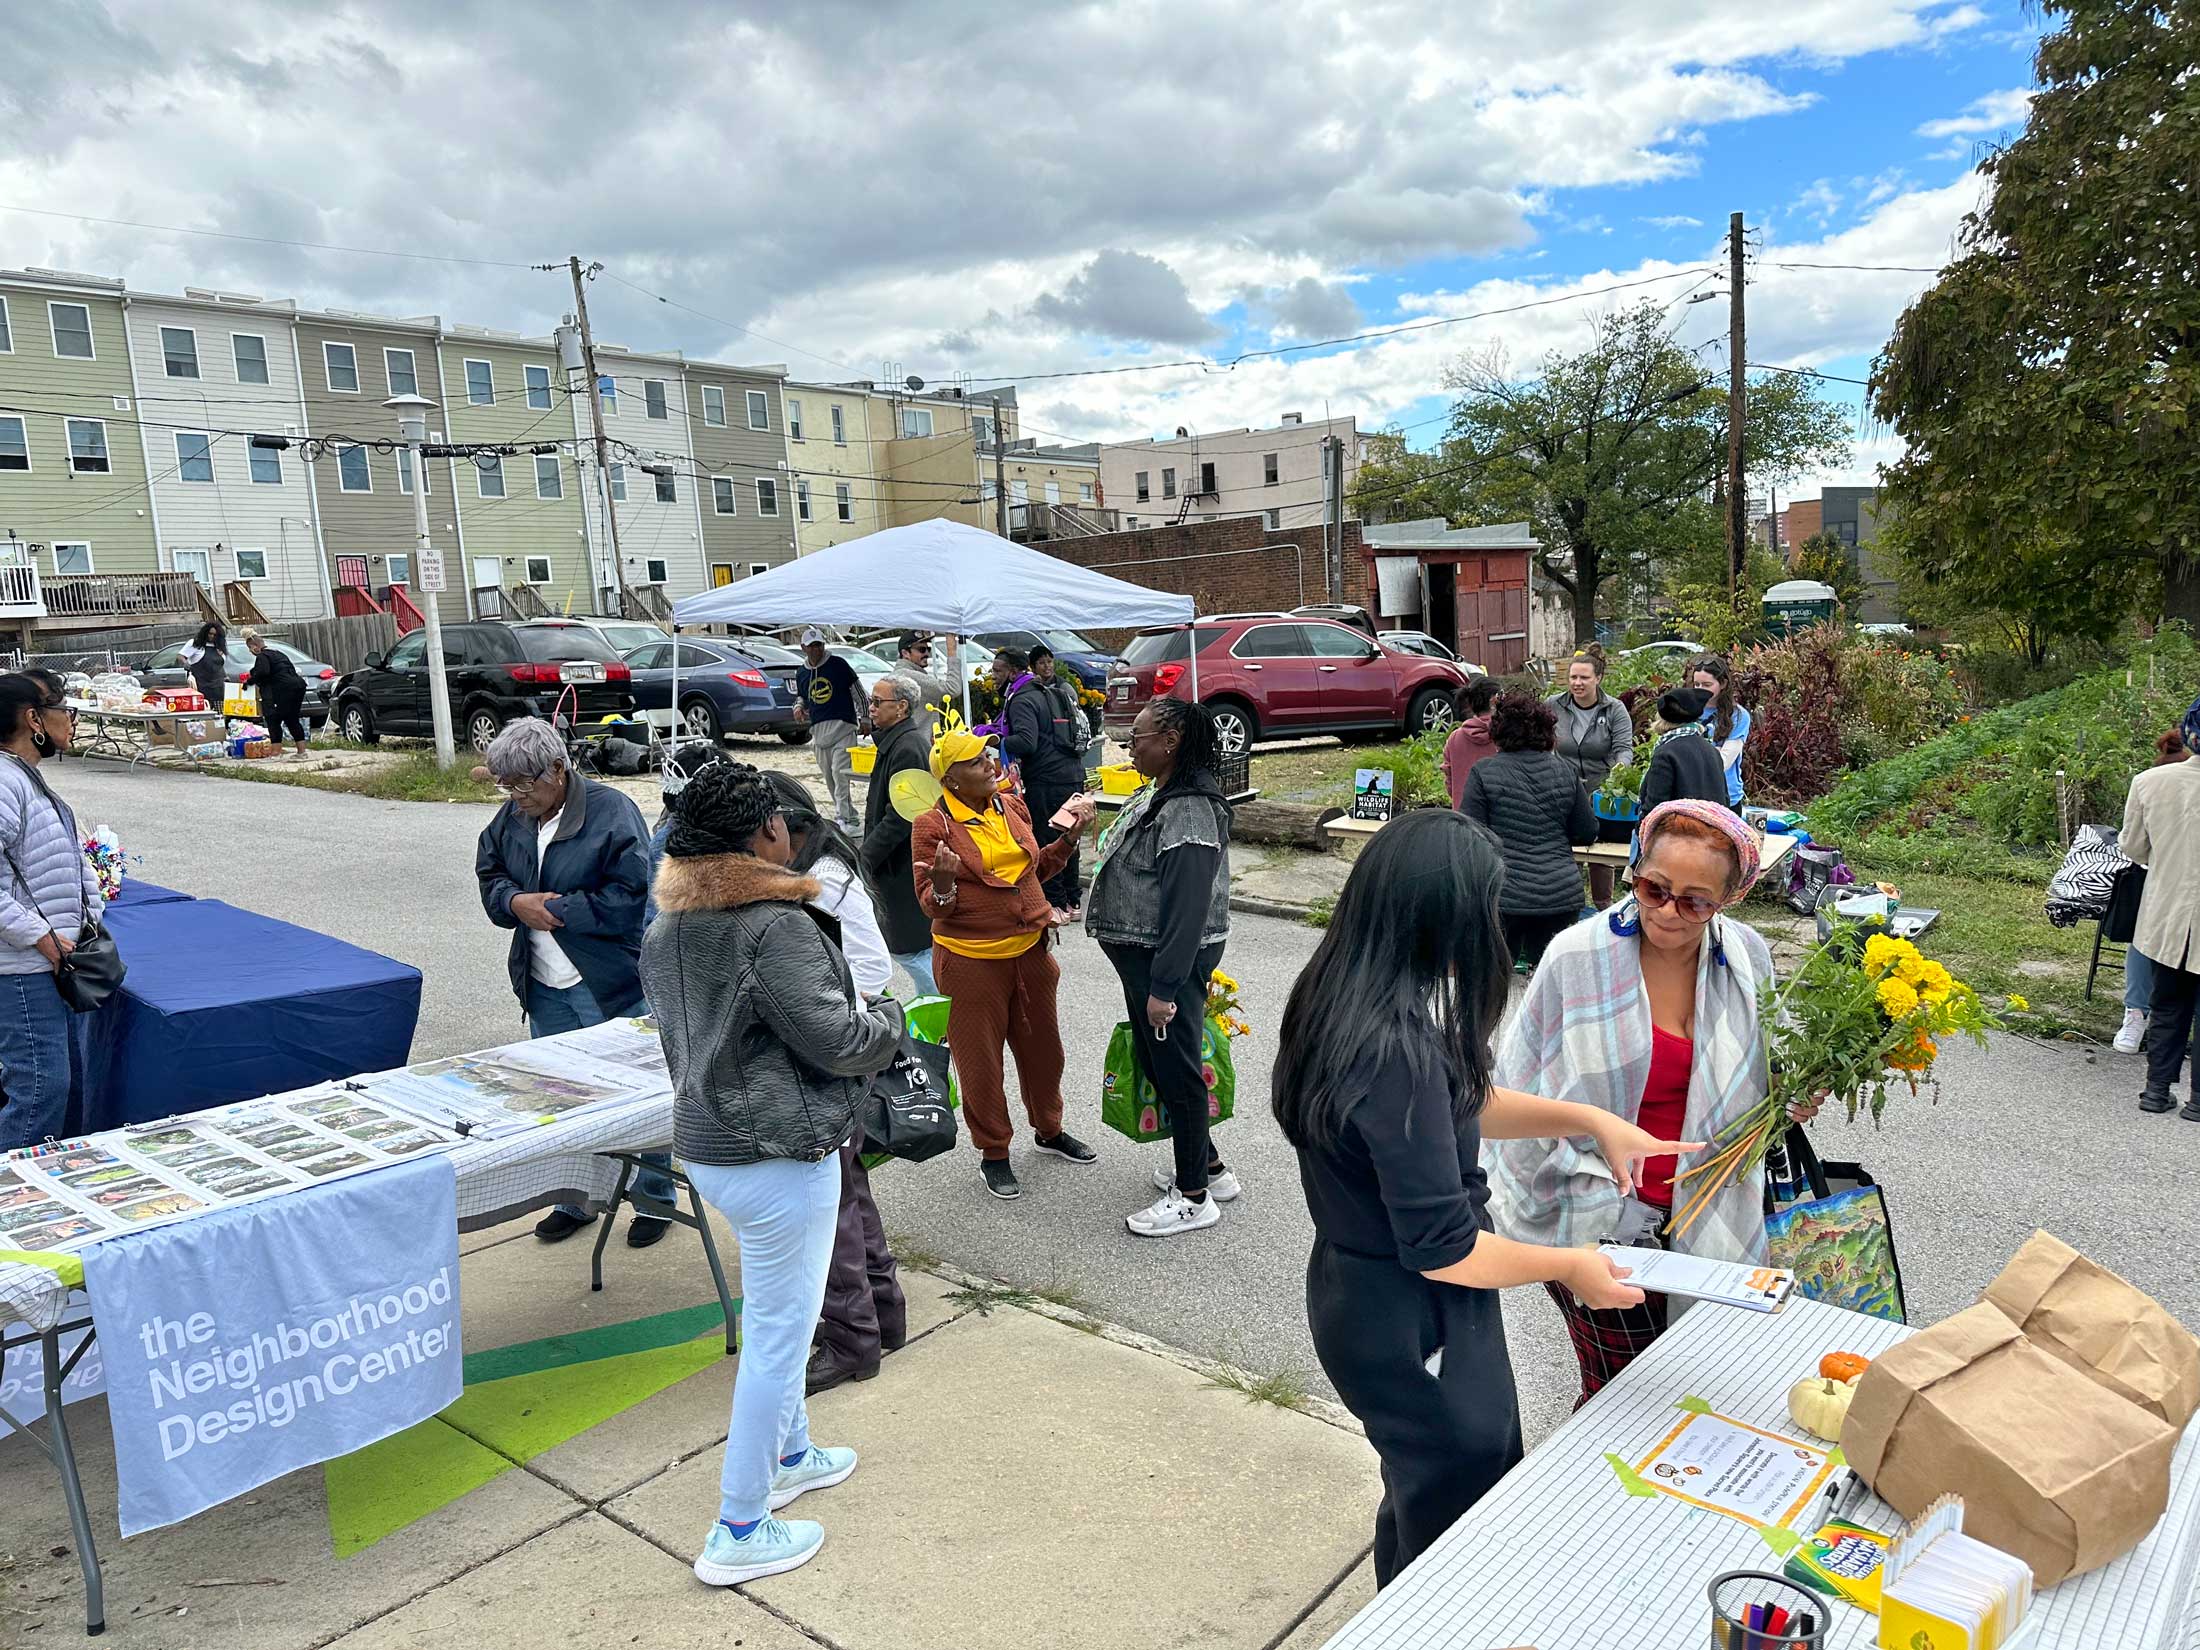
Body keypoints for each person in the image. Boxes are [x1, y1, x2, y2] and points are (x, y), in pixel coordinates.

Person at [1273, 808, 1691, 1587]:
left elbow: (1456, 1102)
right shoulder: (1390, 1046)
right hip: (1412, 1312)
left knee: (1427, 1486)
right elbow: (1447, 1248)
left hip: (1366, 1291)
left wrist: (1587, 1118)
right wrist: (1569, 1264)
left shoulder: (1346, 995)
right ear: (1443, 919)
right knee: (1458, 1513)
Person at [642, 762, 903, 1586]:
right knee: (779, 1344)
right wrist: (891, 1019)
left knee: (774, 1314)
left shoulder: (668, 926)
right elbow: (838, 1039)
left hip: (715, 1147)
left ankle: (791, 1454)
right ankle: (739, 1526)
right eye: (783, 823)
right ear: (766, 836)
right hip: (779, 1155)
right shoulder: (769, 924)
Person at [1487, 799, 1818, 1406]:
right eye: (1653, 887)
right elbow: (1514, 1086)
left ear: (1729, 900)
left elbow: (1773, 1067)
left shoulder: (1746, 959)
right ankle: (1594, 1497)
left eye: (1695, 901)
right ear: (1634, 869)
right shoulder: (1577, 956)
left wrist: (1795, 1096)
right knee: (1622, 1392)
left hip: (1713, 1209)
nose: (1668, 910)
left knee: (1697, 1389)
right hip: (1598, 1218)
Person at [474, 718, 673, 1247]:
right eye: (506, 785)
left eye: (524, 785)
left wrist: (556, 910)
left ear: (558, 770)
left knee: (636, 1097)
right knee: (563, 1099)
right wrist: (516, 904)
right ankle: (576, 1198)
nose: (515, 797)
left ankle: (655, 1199)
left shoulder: (613, 812)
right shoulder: (513, 815)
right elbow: (489, 874)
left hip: (606, 980)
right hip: (543, 982)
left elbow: (634, 898)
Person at [754, 773, 907, 1393]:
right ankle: (881, 1314)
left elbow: (871, 966)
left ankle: (851, 1340)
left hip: (831, 1051)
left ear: (786, 829)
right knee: (847, 1188)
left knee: (828, 1202)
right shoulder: (802, 871)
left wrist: (818, 1014)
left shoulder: (826, 878)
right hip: (831, 1046)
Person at [910, 716, 1098, 1200]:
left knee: (1045, 1053)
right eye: (975, 760)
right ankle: (994, 1152)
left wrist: (1070, 839)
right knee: (980, 1064)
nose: (990, 762)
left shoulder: (1009, 805)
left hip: (1030, 954)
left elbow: (1033, 870)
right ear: (950, 777)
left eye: (989, 754)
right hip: (970, 964)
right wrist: (945, 885)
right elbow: (931, 904)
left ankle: (1050, 1131)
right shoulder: (933, 826)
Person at [1085, 698, 1234, 1237]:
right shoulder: (1165, 793)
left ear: (1170, 739)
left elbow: (1188, 908)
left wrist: (1165, 988)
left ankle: (1194, 1196)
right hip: (1146, 963)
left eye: (1138, 738)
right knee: (1162, 1064)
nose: (1130, 748)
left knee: (1178, 1072)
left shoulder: (1190, 808)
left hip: (1163, 965)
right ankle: (1209, 1167)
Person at [0, 675, 102, 1153]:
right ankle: (15, 1207)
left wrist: (88, 921)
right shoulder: (4, 780)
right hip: (22, 968)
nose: (71, 716)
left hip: (52, 962)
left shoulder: (23, 777)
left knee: (64, 1090)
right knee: (39, 1091)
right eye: (61, 706)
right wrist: (41, 936)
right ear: (32, 718)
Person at [1457, 692, 1596, 971]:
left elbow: (1470, 834)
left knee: (1497, 981)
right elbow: (1586, 831)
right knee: (1552, 982)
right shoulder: (1564, 771)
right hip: (1561, 895)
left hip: (1504, 896)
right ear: (1547, 731)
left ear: (1498, 731)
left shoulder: (1484, 772)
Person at [2123, 696, 2200, 1120]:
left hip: (2168, 910)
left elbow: (2134, 847)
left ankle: (2156, 1091)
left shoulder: (2149, 783)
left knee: (2168, 1001)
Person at [2114, 728, 2194, 1056]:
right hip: (2170, 880)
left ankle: (2135, 1015)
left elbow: (2133, 845)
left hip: (2160, 880)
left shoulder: (2149, 782)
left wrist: (2159, 859)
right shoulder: (2160, 781)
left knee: (2146, 940)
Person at [859, 675, 938, 996]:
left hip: (903, 864)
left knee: (911, 949)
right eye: (872, 701)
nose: (872, 708)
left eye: (879, 702)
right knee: (909, 947)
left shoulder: (908, 746)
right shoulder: (896, 741)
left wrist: (863, 858)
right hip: (894, 863)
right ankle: (937, 1007)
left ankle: (944, 1007)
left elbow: (902, 818)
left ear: (902, 707)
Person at [998, 646, 1086, 921]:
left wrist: (995, 741)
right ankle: (1073, 901)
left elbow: (1026, 741)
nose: (992, 677)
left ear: (1013, 672)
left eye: (997, 671)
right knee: (1070, 838)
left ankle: (1057, 904)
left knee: (1049, 840)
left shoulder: (1022, 699)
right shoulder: (1050, 692)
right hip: (1072, 775)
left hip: (1046, 780)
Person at [1548, 647, 1635, 909]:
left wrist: (1618, 777)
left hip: (1601, 790)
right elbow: (1541, 741)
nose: (1577, 683)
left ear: (1598, 678)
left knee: (1601, 853)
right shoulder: (1554, 705)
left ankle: (1603, 907)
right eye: (1573, 677)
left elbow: (1623, 748)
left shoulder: (1614, 709)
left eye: (1584, 678)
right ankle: (1567, 905)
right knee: (1566, 850)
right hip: (1563, 789)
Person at [793, 628, 864, 832]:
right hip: (819, 731)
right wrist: (798, 707)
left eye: (819, 645)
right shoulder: (802, 672)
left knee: (840, 774)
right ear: (803, 648)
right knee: (830, 777)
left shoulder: (838, 665)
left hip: (843, 727)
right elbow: (802, 697)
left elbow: (858, 691)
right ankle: (847, 816)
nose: (816, 650)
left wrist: (865, 717)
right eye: (812, 646)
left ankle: (846, 818)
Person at [1636, 686, 1730, 818]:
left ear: (1662, 717)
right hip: (1713, 833)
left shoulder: (1665, 754)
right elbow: (1725, 802)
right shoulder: (1712, 751)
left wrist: (1639, 829)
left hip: (1678, 834)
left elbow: (1653, 811)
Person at [1689, 653, 1751, 807]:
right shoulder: (1686, 710)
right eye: (1696, 684)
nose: (1700, 690)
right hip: (1689, 795)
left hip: (1725, 796)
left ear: (1722, 684)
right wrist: (1714, 750)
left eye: (1707, 685)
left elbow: (1724, 762)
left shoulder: (1738, 716)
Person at [241, 629, 310, 760]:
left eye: (250, 649)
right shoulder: (278, 654)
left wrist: (249, 681)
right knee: (292, 719)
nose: (251, 652)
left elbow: (263, 672)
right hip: (298, 686)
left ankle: (276, 753)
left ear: (255, 647)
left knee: (273, 719)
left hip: (283, 689)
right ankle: (302, 752)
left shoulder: (262, 656)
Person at [1440, 677, 1502, 808]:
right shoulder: (1505, 736)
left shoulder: (1455, 738)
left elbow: (1449, 782)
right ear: (1494, 699)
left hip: (1463, 817)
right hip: (1497, 818)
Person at [892, 631, 954, 740]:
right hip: (917, 745)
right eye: (921, 650)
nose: (927, 654)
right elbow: (952, 689)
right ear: (905, 653)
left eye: (928, 649)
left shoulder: (902, 673)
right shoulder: (908, 674)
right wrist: (952, 653)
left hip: (912, 743)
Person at [179, 619, 229, 716]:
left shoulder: (219, 647)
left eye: (215, 635)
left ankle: (219, 730)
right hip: (201, 686)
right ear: (205, 632)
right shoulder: (195, 644)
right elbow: (181, 656)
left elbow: (220, 665)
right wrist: (185, 663)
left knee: (220, 716)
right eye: (210, 634)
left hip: (218, 687)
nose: (212, 636)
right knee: (204, 715)